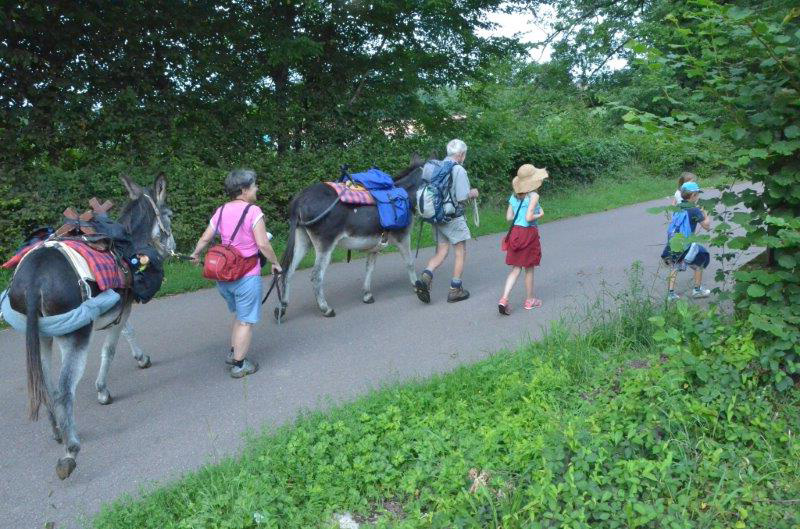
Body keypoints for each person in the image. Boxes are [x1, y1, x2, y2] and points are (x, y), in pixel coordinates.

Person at [190, 169, 282, 378]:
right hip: (246, 275)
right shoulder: (253, 211)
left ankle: (234, 352)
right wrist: (275, 263)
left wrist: (195, 254)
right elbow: (262, 243)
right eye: (254, 185)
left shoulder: (221, 210)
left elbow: (205, 238)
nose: (257, 188)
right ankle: (240, 365)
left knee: (240, 316)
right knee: (245, 321)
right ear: (243, 190)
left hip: (223, 276)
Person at [415, 139, 479, 303]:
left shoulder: (435, 166)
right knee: (460, 252)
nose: (464, 156)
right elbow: (462, 197)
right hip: (453, 218)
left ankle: (426, 276)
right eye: (464, 154)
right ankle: (455, 289)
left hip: (436, 216)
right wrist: (473, 193)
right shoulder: (458, 170)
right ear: (460, 154)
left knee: (441, 252)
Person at [498, 164, 547, 315]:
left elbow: (508, 217)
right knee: (529, 268)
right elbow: (529, 217)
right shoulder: (534, 196)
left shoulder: (513, 196)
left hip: (516, 233)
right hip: (528, 233)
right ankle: (530, 300)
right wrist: (541, 214)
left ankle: (504, 299)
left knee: (516, 268)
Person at [662, 181, 711, 301]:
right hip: (687, 244)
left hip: (675, 242)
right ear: (693, 195)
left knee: (674, 266)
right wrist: (705, 213)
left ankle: (671, 294)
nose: (698, 197)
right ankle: (697, 290)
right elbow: (707, 226)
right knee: (701, 261)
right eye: (697, 194)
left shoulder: (678, 206)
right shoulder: (695, 210)